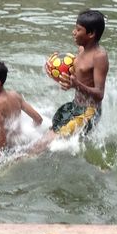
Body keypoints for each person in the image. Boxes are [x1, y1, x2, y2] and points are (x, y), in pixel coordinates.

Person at [27, 9, 109, 155]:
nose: (73, 32)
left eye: (78, 29)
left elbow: (99, 94)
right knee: (48, 138)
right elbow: (78, 75)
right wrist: (53, 68)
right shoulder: (81, 49)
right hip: (74, 106)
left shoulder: (99, 57)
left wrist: (76, 85)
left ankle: (12, 165)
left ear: (91, 34)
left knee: (44, 144)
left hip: (89, 112)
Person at [0, 60, 43, 151]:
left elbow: (1, 135)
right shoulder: (15, 95)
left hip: (11, 146)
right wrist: (30, 132)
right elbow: (38, 119)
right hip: (24, 140)